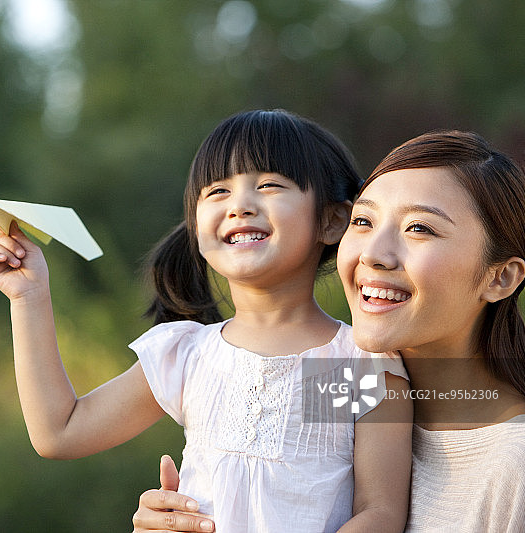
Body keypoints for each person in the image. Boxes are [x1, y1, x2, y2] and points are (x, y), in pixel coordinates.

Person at [0, 109, 412, 532]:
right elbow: (61, 432)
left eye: (268, 185)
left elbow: (380, 512)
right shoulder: (187, 354)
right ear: (196, 224)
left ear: (333, 219)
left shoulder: (356, 364)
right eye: (217, 192)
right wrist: (29, 298)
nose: (240, 206)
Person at [132, 130, 525, 532]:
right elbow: (269, 474)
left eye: (419, 228)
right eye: (364, 221)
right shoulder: (342, 382)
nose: (373, 252)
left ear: (501, 278)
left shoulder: (513, 469)